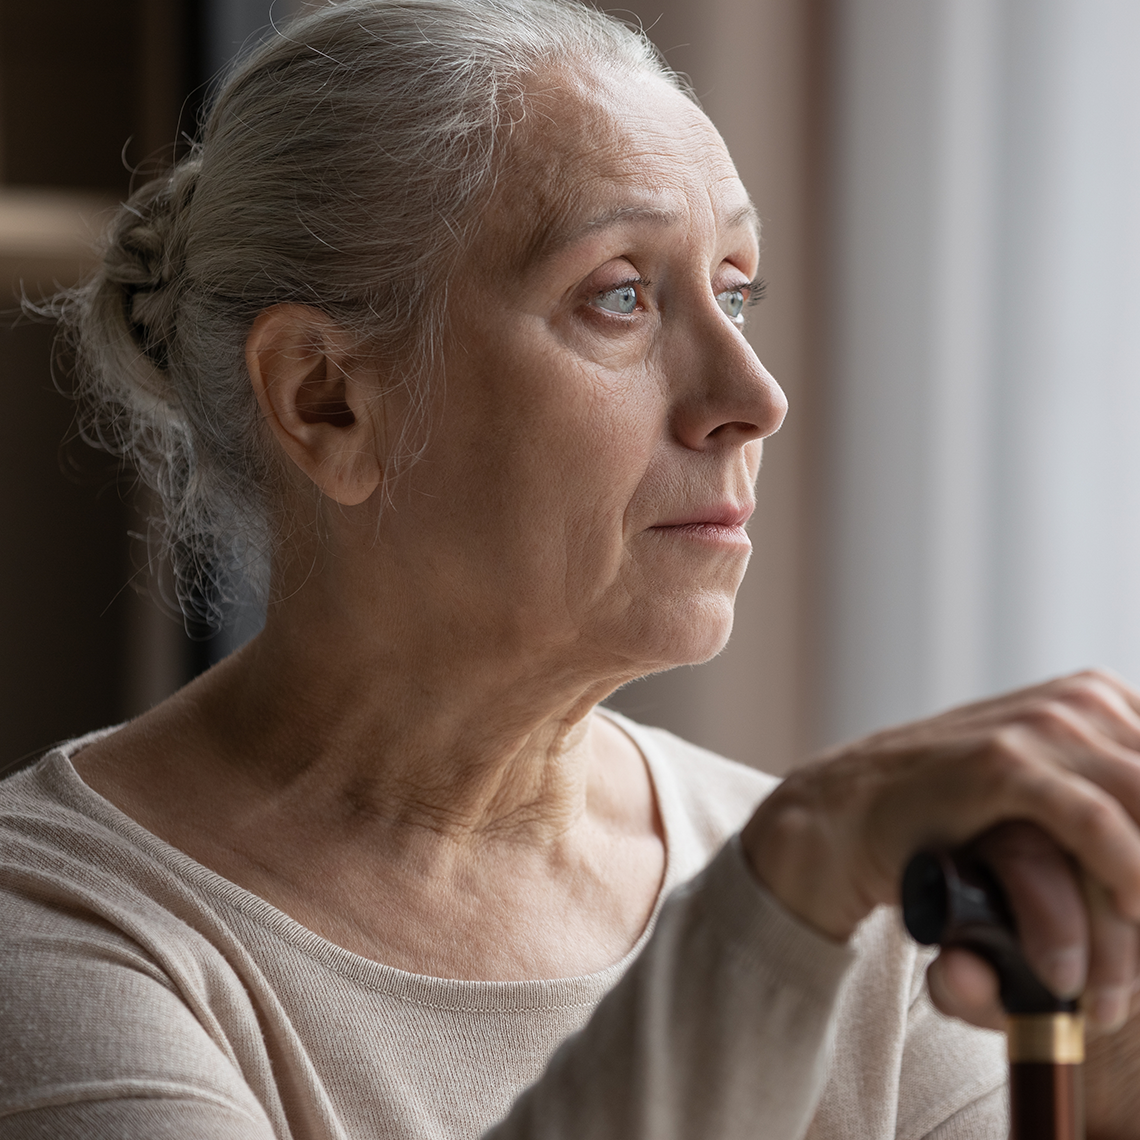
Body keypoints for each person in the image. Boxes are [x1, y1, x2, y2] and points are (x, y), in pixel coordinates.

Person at [3, 1, 1140, 1136]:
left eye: (736, 290)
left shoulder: (850, 906)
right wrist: (776, 909)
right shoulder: (60, 923)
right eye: (620, 296)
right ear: (327, 399)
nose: (753, 400)